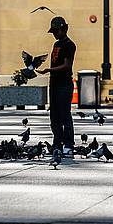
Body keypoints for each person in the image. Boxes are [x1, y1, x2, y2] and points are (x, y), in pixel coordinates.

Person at [36, 16, 76, 158]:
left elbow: (67, 65)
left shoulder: (69, 45)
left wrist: (49, 70)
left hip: (64, 83)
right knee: (54, 116)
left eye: (57, 31)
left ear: (64, 29)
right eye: (53, 32)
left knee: (64, 115)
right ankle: (57, 143)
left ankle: (69, 144)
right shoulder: (56, 45)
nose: (55, 34)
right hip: (54, 83)